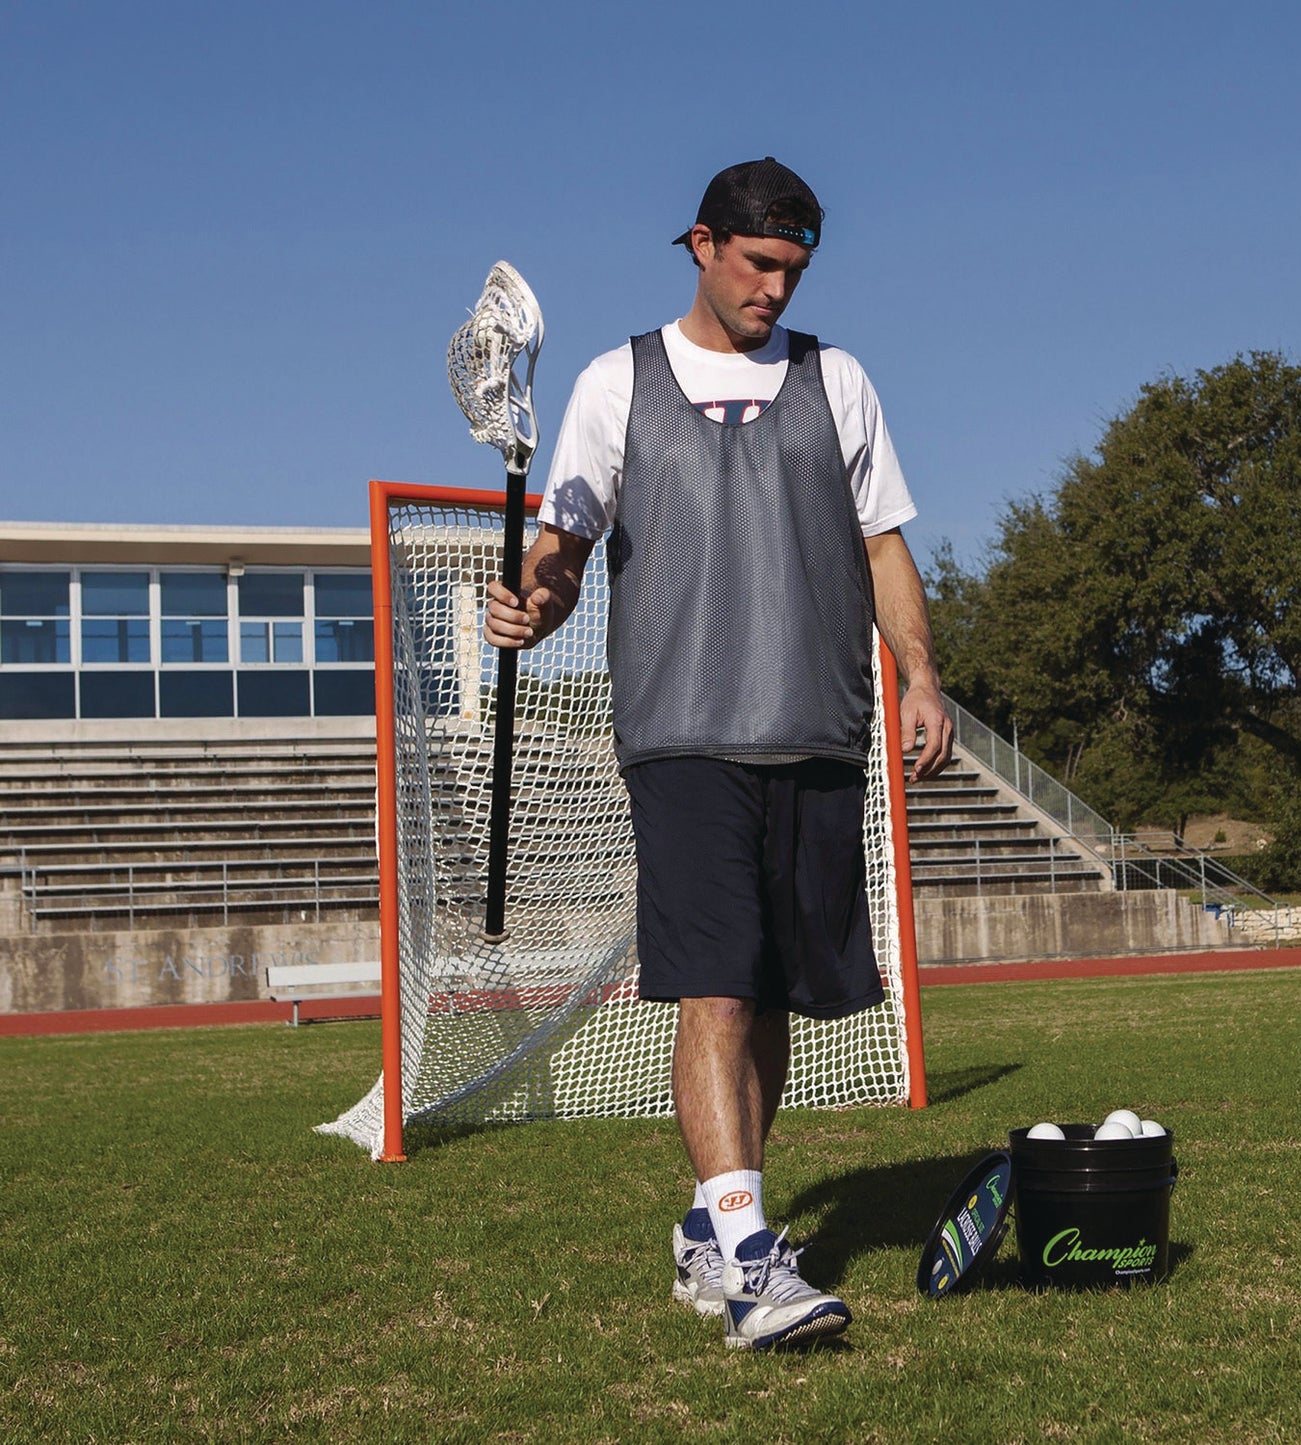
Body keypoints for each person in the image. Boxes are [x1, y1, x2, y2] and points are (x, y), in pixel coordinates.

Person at [484, 157, 954, 1350]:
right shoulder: (612, 384)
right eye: (757, 264)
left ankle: (712, 1223)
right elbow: (561, 550)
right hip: (680, 731)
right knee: (718, 983)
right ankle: (750, 1257)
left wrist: (919, 673)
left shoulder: (834, 379)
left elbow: (883, 546)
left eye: (793, 270)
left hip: (817, 727)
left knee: (780, 995)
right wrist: (531, 604)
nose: (773, 290)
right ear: (700, 243)